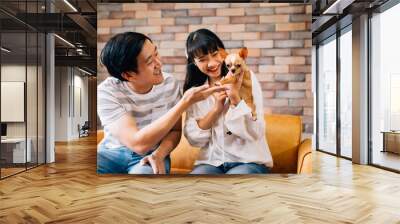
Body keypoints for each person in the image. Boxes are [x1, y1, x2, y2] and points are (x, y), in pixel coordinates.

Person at [97, 32, 225, 174]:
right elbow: (137, 144)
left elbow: (175, 131)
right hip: (110, 154)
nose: (159, 63)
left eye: (156, 53)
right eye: (150, 61)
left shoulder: (170, 85)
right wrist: (184, 102)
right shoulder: (107, 91)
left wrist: (158, 155)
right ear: (128, 75)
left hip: (152, 155)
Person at [183, 29, 273, 174]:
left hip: (248, 161)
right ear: (194, 62)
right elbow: (194, 140)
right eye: (202, 59)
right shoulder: (195, 91)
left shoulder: (247, 79)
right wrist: (216, 110)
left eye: (214, 54)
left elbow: (256, 131)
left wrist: (236, 100)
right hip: (211, 162)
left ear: (223, 52)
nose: (212, 63)